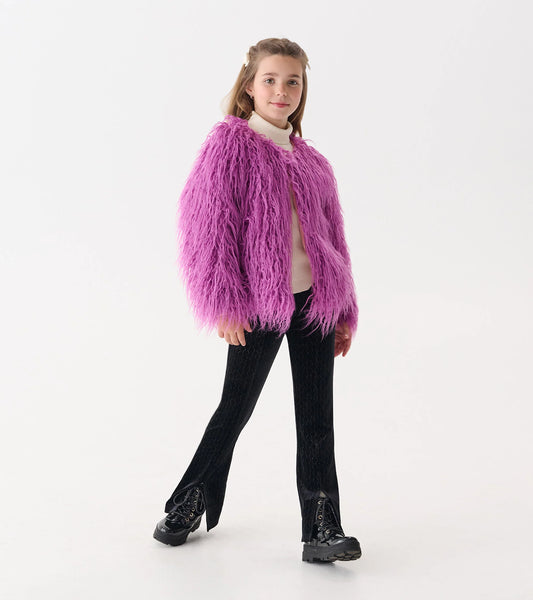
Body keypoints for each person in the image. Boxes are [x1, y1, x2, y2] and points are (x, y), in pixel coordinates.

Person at [153, 37, 362, 563]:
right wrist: (224, 302)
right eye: (270, 80)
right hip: (256, 304)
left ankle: (321, 527)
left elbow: (334, 240)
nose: (281, 90)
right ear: (249, 86)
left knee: (317, 416)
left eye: (293, 81)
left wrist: (343, 310)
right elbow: (208, 229)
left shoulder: (312, 161)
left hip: (315, 302)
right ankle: (189, 500)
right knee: (236, 407)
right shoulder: (230, 146)